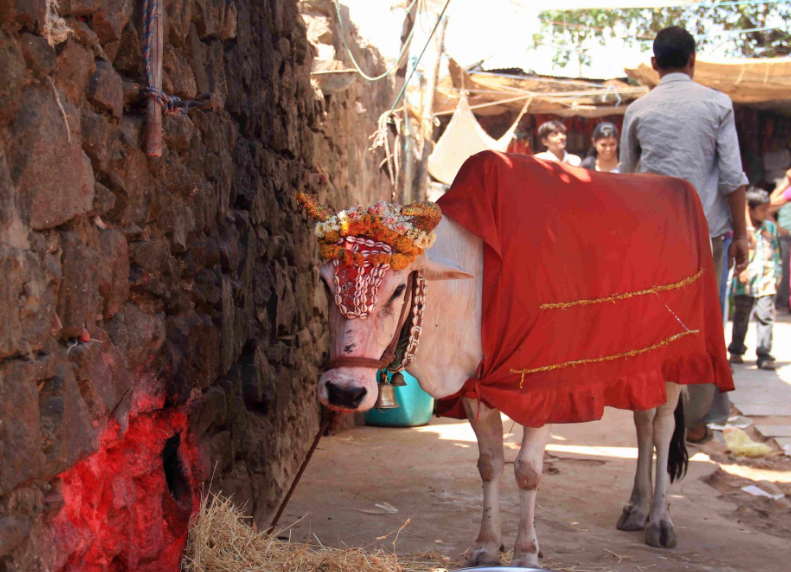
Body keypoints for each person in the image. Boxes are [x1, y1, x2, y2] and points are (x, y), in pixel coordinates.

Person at [620, 26, 750, 443]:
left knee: (655, 323)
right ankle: (695, 419)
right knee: (704, 322)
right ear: (693, 61)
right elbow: (731, 177)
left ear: (654, 64)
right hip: (704, 236)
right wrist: (742, 234)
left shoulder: (638, 109)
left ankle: (653, 407)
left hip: (653, 239)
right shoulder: (717, 103)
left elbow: (626, 178)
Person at [729, 189, 781, 370]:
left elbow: (775, 252)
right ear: (749, 209)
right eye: (762, 209)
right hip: (745, 282)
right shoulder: (740, 230)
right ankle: (736, 350)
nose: (766, 213)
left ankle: (764, 354)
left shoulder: (770, 228)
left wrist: (776, 275)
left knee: (765, 317)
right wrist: (740, 271)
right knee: (741, 317)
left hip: (766, 281)